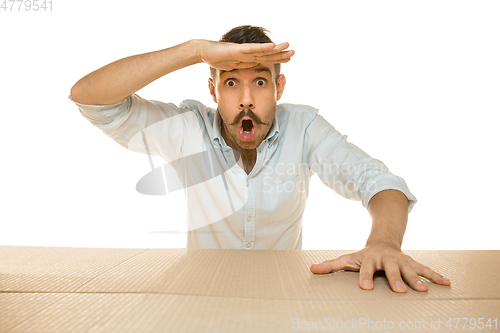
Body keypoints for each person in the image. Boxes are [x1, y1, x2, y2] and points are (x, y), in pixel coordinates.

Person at [69, 25, 451, 293]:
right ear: (213, 90)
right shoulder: (188, 128)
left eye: (261, 81)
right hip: (199, 298)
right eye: (231, 82)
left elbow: (378, 182)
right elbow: (90, 97)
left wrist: (384, 243)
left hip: (283, 298)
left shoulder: (304, 128)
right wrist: (194, 51)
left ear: (279, 87)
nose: (246, 99)